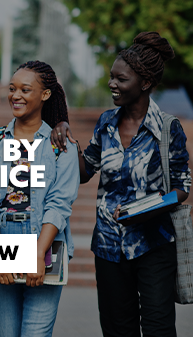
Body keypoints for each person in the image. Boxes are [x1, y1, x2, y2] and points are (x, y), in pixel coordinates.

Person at [52, 32, 190, 337]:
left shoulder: (168, 128)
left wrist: (145, 210)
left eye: (121, 79)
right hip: (109, 246)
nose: (112, 84)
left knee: (159, 329)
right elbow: (86, 170)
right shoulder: (106, 122)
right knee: (117, 329)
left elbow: (182, 188)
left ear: (144, 83)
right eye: (111, 77)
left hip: (154, 244)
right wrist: (64, 131)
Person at [0, 61, 79, 337]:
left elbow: (60, 203)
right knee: (5, 332)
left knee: (36, 333)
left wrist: (37, 254)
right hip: (1, 235)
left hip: (45, 240)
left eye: (25, 89)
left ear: (44, 95)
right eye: (12, 88)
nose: (15, 95)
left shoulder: (61, 145)